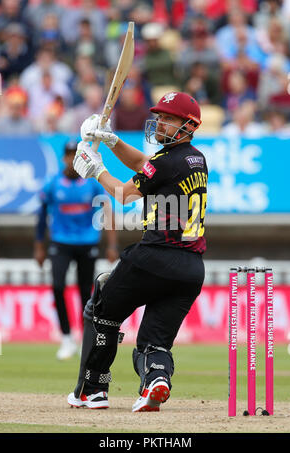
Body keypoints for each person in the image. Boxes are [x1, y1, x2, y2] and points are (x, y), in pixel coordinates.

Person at [67, 91, 208, 411]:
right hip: (191, 270)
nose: (159, 123)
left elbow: (126, 194)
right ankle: (155, 382)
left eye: (168, 119)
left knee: (102, 307)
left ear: (188, 125)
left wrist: (95, 169)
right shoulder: (195, 158)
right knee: (153, 343)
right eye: (159, 117)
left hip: (155, 257)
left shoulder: (166, 161)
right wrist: (112, 140)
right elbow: (146, 164)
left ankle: (92, 390)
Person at [34, 140, 119, 360]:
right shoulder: (53, 184)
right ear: (64, 158)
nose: (72, 160)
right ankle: (66, 337)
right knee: (58, 286)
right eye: (69, 155)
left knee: (85, 292)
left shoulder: (91, 183)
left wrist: (112, 245)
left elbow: (108, 211)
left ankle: (85, 339)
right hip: (60, 242)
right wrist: (39, 247)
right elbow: (42, 217)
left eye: (76, 155)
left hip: (86, 242)